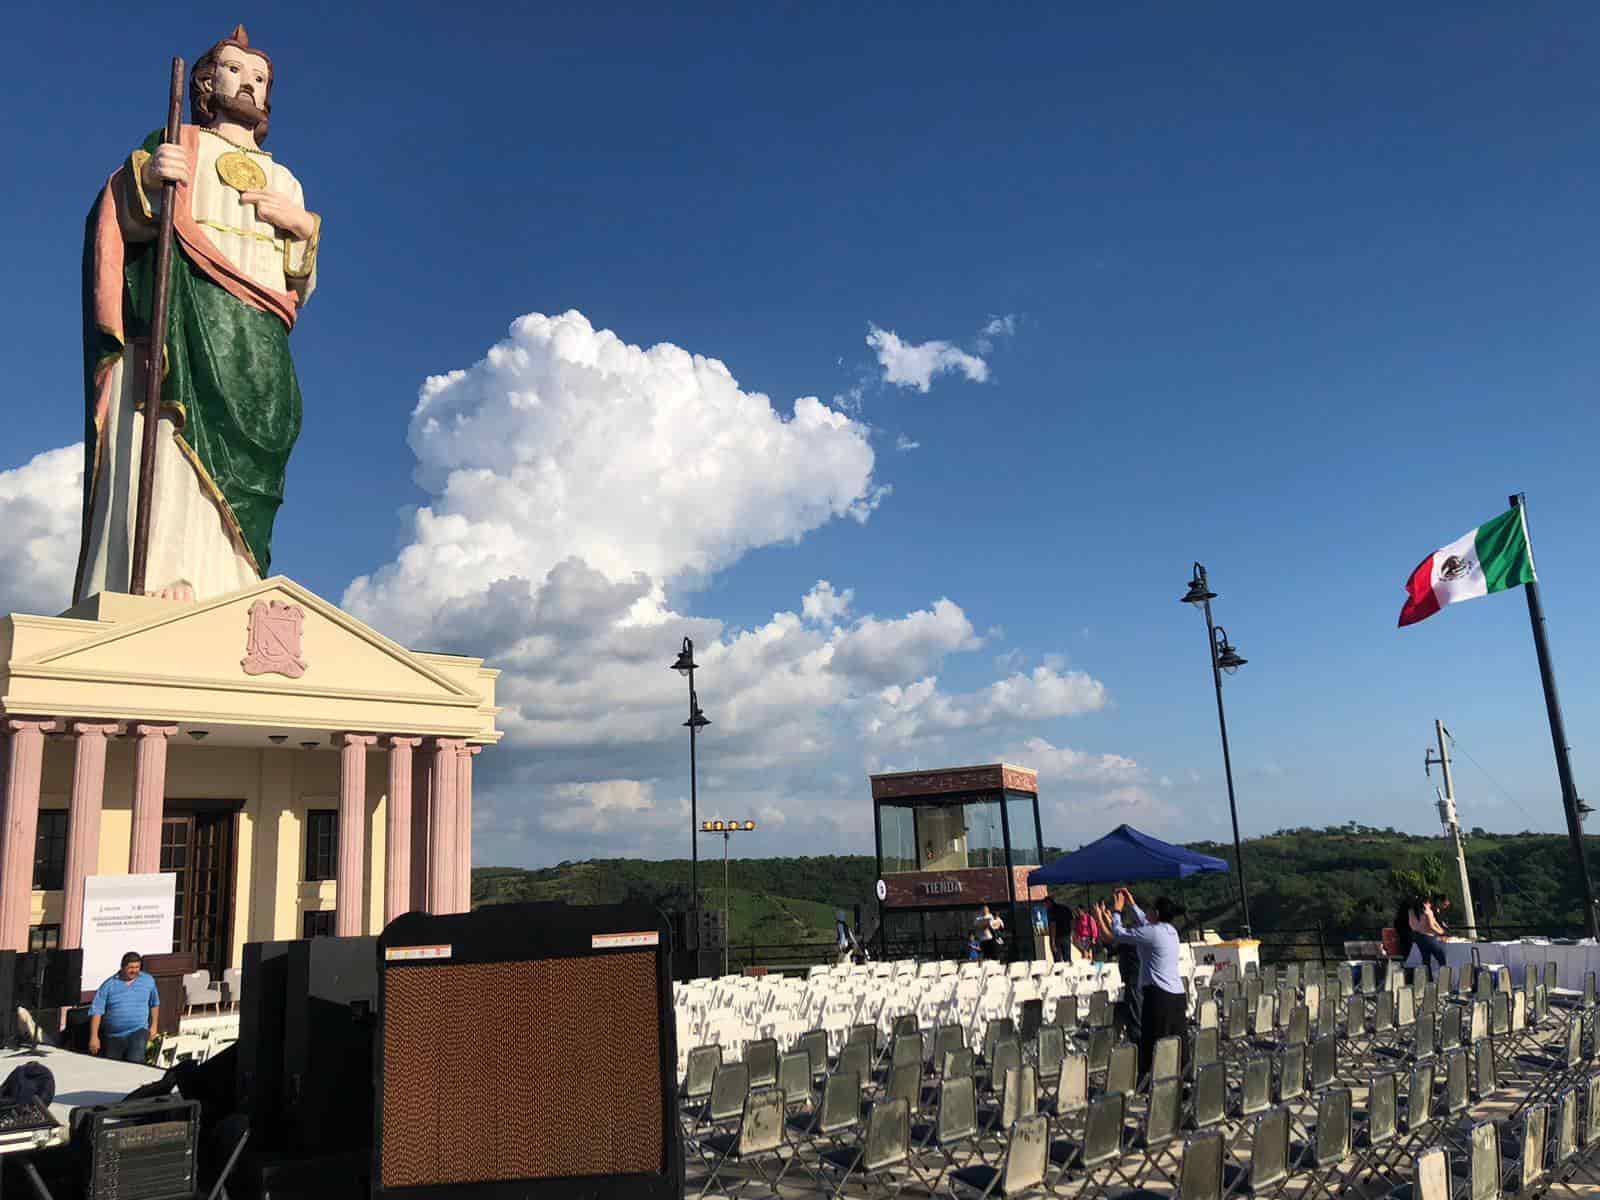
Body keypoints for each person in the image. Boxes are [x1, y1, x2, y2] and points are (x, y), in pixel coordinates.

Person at [79, 25, 322, 603]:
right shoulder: (177, 142)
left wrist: (303, 226)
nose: (251, 86)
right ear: (207, 81)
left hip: (258, 324)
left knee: (262, 442)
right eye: (238, 71)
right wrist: (147, 179)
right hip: (186, 314)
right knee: (170, 426)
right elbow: (122, 223)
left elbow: (299, 283)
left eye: (261, 78)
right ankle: (168, 567)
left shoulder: (287, 178)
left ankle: (236, 576)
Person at [1106, 888, 1187, 1081]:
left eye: (1150, 909)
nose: (1147, 912)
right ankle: (1183, 1078)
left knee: (1153, 1038)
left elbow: (1118, 933)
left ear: (1156, 914)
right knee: (1177, 1039)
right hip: (1176, 994)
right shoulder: (1170, 931)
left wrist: (1117, 911)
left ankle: (1151, 1078)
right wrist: (1131, 903)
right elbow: (1144, 920)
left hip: (1159, 995)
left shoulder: (1152, 932)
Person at [88, 952, 160, 1063]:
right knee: (113, 1067)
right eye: (131, 967)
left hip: (138, 1030)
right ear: (122, 967)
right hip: (113, 1036)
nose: (134, 970)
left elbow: (154, 1003)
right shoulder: (109, 985)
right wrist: (94, 1037)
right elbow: (97, 1011)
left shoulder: (148, 981)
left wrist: (154, 1026)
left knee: (134, 1061)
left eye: (137, 967)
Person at [1409, 895, 1448, 975]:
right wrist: (1441, 932)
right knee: (1441, 958)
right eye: (1429, 903)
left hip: (1417, 936)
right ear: (1425, 903)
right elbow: (1432, 926)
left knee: (1426, 960)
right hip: (1428, 936)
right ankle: (1444, 979)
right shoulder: (1427, 911)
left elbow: (1412, 925)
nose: (1430, 905)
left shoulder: (1412, 911)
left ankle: (1428, 981)